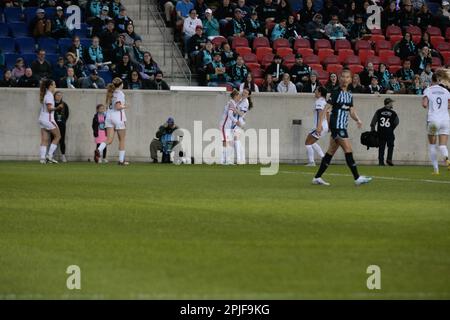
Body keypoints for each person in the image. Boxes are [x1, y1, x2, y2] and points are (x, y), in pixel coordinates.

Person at [312, 69, 372, 186]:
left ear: (350, 79)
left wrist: (358, 119)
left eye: (347, 77)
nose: (345, 79)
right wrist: (319, 125)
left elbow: (352, 111)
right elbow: (326, 109)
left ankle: (317, 177)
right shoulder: (336, 92)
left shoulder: (349, 95)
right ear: (340, 79)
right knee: (348, 149)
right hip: (337, 126)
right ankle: (357, 178)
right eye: (343, 77)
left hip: (343, 126)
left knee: (330, 152)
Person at [95, 77, 129, 165]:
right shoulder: (120, 93)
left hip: (109, 116)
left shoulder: (111, 92)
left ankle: (99, 149)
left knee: (109, 140)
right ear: (121, 84)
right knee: (122, 139)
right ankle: (121, 160)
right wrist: (125, 106)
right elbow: (118, 107)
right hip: (118, 116)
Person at [422, 72, 450, 174]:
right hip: (445, 121)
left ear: (431, 80)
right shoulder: (446, 91)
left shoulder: (428, 90)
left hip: (433, 121)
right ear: (439, 80)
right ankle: (447, 159)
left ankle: (436, 170)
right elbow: (449, 105)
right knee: (443, 145)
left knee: (432, 145)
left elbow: (424, 104)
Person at [370, 98, 399, 166]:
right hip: (389, 133)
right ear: (388, 103)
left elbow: (373, 122)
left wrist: (373, 131)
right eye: (391, 103)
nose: (392, 104)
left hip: (381, 132)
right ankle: (389, 159)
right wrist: (391, 128)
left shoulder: (379, 111)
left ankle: (381, 162)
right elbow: (397, 122)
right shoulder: (393, 113)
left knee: (381, 147)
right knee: (390, 146)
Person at [38, 79, 61, 164]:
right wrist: (58, 108)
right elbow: (49, 108)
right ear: (50, 86)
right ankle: (49, 156)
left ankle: (42, 159)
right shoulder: (49, 95)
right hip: (48, 118)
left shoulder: (46, 94)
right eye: (54, 84)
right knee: (58, 136)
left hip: (42, 119)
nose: (55, 86)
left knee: (45, 139)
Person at [305, 87, 328, 166]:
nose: (315, 92)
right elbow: (328, 114)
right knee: (313, 142)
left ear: (320, 93)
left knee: (308, 142)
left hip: (319, 126)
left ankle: (311, 162)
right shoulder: (325, 102)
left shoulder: (319, 102)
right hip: (324, 125)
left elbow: (320, 113)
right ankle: (324, 158)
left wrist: (319, 126)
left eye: (316, 91)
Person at [220, 89, 241, 164]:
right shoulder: (231, 103)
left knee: (227, 142)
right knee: (225, 142)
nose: (239, 97)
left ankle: (225, 160)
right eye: (238, 95)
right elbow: (230, 114)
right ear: (235, 96)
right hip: (224, 126)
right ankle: (224, 160)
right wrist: (236, 121)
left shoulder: (232, 103)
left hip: (227, 126)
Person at [232, 88, 253, 164]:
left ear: (248, 95)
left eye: (246, 93)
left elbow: (241, 114)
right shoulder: (240, 100)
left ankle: (238, 159)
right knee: (238, 141)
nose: (244, 93)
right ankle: (242, 159)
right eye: (243, 92)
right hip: (236, 122)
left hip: (239, 122)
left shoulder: (245, 102)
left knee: (236, 140)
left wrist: (234, 109)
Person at [52, 91, 70, 162]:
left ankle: (63, 155)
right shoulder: (52, 104)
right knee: (53, 139)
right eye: (57, 95)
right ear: (54, 96)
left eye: (60, 95)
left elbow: (67, 114)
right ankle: (52, 155)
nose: (59, 96)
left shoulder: (64, 104)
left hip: (62, 124)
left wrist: (63, 121)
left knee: (62, 140)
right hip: (53, 124)